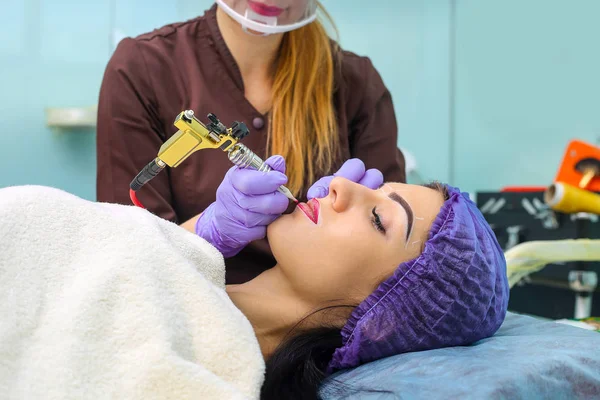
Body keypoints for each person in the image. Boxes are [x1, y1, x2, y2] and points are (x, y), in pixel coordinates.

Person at [0, 166, 508, 400]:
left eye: (379, 218)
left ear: (383, 315)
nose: (338, 186)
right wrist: (199, 237)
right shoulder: (190, 277)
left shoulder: (214, 373)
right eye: (370, 185)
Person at [96, 0, 406, 284]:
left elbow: (398, 266)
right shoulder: (143, 68)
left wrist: (374, 215)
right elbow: (127, 259)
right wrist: (208, 233)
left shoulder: (356, 84)